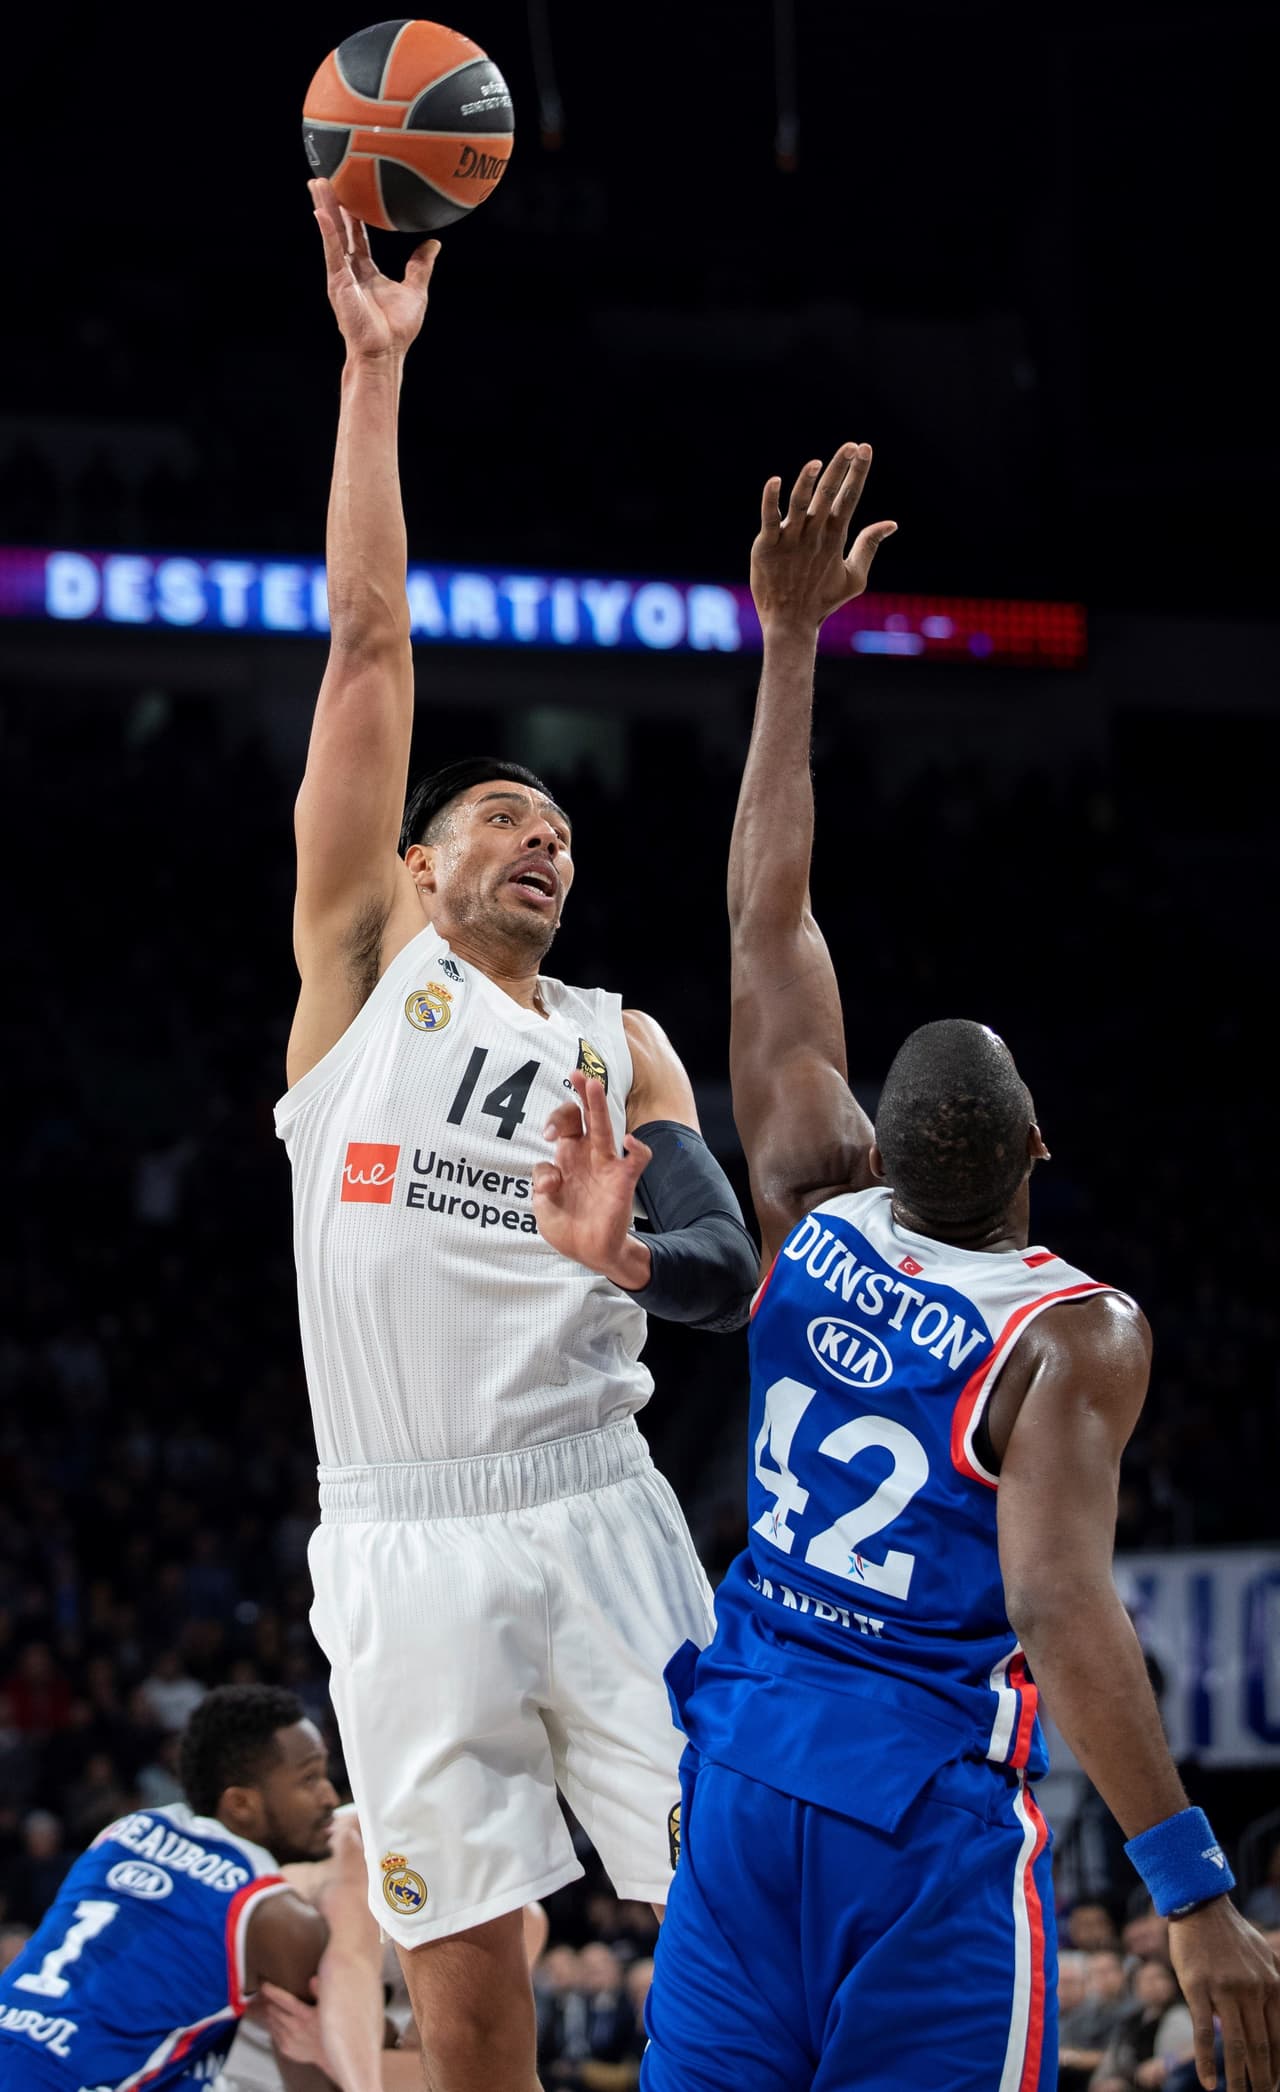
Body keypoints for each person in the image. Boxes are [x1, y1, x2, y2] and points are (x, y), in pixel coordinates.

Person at [640, 442, 1280, 2092]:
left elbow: (765, 926)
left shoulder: (805, 1204)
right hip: (911, 1816)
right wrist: (1193, 1887)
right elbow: (1061, 1599)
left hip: (741, 1772)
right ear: (1038, 1150)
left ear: (878, 1141)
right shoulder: (1078, 1331)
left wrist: (790, 646)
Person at [275, 177, 758, 2092]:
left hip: (589, 1500)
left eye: (564, 828)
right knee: (465, 1980)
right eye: (504, 817)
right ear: (412, 866)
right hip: (399, 1533)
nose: (544, 837)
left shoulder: (619, 1038)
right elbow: (370, 636)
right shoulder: (354, 989)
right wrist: (373, 375)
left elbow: (720, 1272)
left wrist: (626, 1253)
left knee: (732, 1897)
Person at [0, 1684, 376, 2090]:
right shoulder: (278, 1920)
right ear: (241, 1804)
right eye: (309, 1779)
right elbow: (318, 2081)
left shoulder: (125, 1830)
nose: (328, 1795)